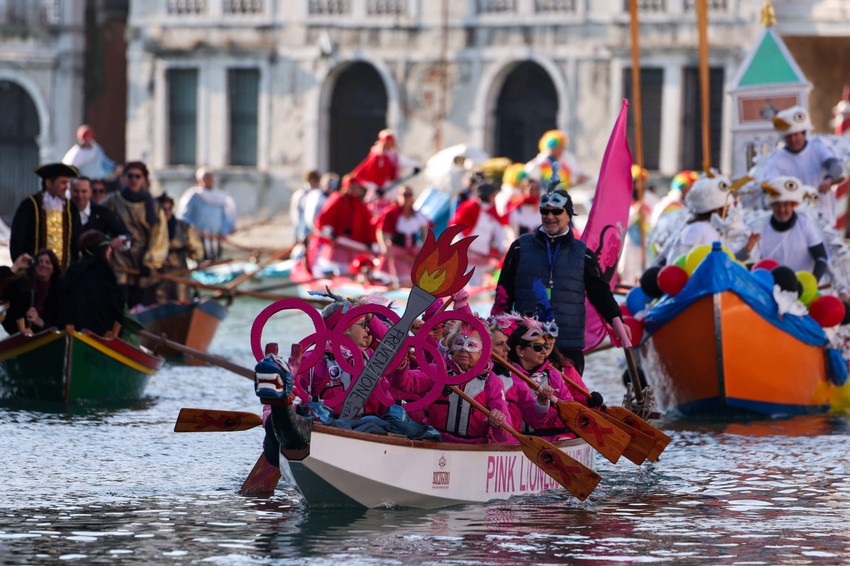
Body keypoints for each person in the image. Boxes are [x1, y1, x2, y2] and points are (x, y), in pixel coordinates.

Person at [492, 188, 631, 375]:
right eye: (544, 211)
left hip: (567, 343)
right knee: (524, 401)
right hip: (526, 344)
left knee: (568, 401)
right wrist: (498, 331)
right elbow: (503, 293)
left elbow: (601, 295)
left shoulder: (583, 254)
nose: (550, 216)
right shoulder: (520, 246)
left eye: (556, 211)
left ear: (569, 215)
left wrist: (618, 322)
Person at [388, 323, 553, 443]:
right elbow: (406, 383)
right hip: (437, 441)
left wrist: (498, 422)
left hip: (475, 447)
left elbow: (505, 435)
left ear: (483, 352)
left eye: (471, 345)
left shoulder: (491, 381)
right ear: (451, 347)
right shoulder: (438, 370)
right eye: (459, 343)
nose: (464, 350)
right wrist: (401, 367)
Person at [297, 300, 395, 418]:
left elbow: (397, 350)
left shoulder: (371, 357)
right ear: (345, 329)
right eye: (363, 324)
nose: (368, 330)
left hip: (370, 426)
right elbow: (294, 397)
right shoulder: (313, 359)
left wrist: (371, 317)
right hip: (329, 425)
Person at [758, 106, 845, 226]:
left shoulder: (817, 147)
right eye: (789, 136)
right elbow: (769, 184)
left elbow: (835, 166)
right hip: (796, 222)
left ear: (804, 133)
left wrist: (829, 179)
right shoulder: (777, 159)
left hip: (824, 216)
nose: (793, 139)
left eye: (796, 135)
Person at [101, 161, 168, 308]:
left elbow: (159, 237)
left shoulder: (154, 207)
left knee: (141, 306)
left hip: (143, 263)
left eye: (138, 176)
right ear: (123, 178)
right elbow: (100, 228)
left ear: (144, 179)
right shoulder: (111, 201)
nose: (134, 180)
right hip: (118, 261)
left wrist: (150, 263)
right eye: (130, 176)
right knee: (119, 302)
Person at [742, 176, 828, 280]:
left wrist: (813, 281)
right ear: (771, 206)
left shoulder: (805, 223)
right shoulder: (760, 226)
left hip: (803, 289)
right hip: (771, 288)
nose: (782, 210)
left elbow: (821, 257)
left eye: (786, 205)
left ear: (793, 205)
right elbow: (753, 264)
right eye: (777, 205)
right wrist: (747, 250)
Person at [10, 163, 82, 270]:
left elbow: (76, 241)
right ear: (48, 183)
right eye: (63, 182)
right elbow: (18, 241)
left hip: (65, 276)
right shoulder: (29, 205)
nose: (66, 187)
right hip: (34, 275)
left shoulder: (71, 208)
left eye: (67, 183)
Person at [54, 230, 125, 336]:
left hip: (67, 332)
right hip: (98, 334)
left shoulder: (71, 272)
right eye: (109, 250)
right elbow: (116, 308)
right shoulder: (105, 273)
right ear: (104, 251)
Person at [311, 175, 375, 277]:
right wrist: (330, 231)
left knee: (351, 270)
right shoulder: (337, 199)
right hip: (338, 243)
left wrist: (370, 240)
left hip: (352, 244)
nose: (355, 189)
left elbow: (368, 223)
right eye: (353, 186)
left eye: (357, 187)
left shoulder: (360, 204)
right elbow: (324, 218)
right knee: (336, 268)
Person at [663, 175, 731, 264]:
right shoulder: (695, 229)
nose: (729, 212)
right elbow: (682, 261)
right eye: (726, 208)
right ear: (717, 209)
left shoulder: (716, 230)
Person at [449, 183, 507, 286]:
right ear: (489, 196)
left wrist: (502, 250)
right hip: (467, 255)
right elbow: (456, 227)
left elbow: (499, 233)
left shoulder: (492, 211)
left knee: (480, 285)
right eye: (494, 195)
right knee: (467, 285)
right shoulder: (470, 207)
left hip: (482, 256)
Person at [374, 186, 433, 285]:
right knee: (396, 281)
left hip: (411, 253)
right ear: (399, 197)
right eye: (404, 195)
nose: (407, 198)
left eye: (409, 195)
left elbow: (425, 231)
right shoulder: (391, 213)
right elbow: (381, 231)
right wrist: (385, 248)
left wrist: (425, 247)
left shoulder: (417, 215)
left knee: (414, 281)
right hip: (397, 253)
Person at [176, 167, 237, 261]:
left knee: (216, 260)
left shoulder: (220, 197)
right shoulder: (192, 196)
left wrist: (226, 230)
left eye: (210, 177)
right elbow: (183, 218)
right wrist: (195, 230)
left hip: (215, 239)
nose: (208, 180)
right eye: (205, 177)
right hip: (198, 239)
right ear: (199, 179)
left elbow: (227, 216)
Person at [0, 249, 61, 335]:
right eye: (39, 262)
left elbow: (60, 324)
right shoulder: (21, 284)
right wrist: (16, 266)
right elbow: (3, 289)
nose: (43, 264)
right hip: (13, 337)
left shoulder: (58, 292)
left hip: (43, 341)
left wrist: (39, 321)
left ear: (54, 268)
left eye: (48, 262)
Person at [157, 194, 204, 302]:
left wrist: (199, 261)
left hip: (180, 274)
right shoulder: (152, 228)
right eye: (164, 209)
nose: (167, 212)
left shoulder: (184, 227)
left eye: (169, 208)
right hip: (159, 276)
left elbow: (196, 249)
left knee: (181, 300)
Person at [350, 128, 419, 201]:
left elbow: (405, 161)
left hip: (392, 190)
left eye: (390, 142)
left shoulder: (394, 155)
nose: (389, 144)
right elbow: (366, 174)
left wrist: (415, 166)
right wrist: (375, 189)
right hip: (378, 192)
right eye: (387, 142)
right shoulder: (377, 156)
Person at [524, 129, 588, 191]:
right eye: (559, 147)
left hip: (563, 197)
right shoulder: (542, 160)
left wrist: (580, 179)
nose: (561, 149)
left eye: (562, 147)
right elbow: (529, 173)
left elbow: (579, 173)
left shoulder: (567, 159)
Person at [289, 170, 321, 245]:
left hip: (314, 226)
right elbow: (295, 212)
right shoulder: (300, 194)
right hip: (302, 226)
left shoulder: (319, 194)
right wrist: (297, 227)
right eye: (315, 180)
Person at [303, 172, 339, 237]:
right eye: (330, 184)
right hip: (314, 232)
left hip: (325, 233)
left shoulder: (333, 197)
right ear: (323, 184)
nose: (332, 187)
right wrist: (324, 230)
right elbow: (313, 217)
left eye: (334, 184)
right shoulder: (317, 196)